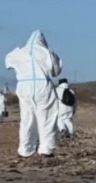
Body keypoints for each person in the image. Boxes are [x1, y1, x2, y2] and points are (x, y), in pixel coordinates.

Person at [4, 30, 61, 158]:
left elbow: (8, 61)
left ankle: (25, 149)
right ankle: (46, 148)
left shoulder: (18, 52)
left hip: (24, 85)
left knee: (27, 118)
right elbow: (56, 70)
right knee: (46, 117)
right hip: (42, 85)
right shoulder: (46, 53)